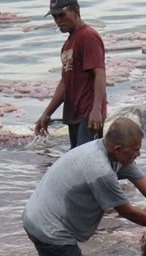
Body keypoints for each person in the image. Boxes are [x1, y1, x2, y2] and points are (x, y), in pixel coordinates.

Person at [23, 117, 146, 256]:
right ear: (118, 149)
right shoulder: (100, 170)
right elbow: (126, 211)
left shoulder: (112, 154)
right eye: (135, 150)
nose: (138, 154)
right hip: (50, 229)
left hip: (35, 218)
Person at [35, 0, 107, 149]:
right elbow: (65, 82)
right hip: (73, 115)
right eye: (55, 17)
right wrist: (47, 113)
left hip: (88, 115)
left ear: (76, 11)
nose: (58, 21)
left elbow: (99, 73)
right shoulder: (67, 45)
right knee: (76, 159)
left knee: (85, 162)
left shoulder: (88, 36)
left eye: (62, 15)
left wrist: (96, 110)